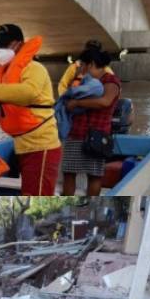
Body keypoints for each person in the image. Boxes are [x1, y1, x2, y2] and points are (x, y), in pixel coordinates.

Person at [0, 24, 62, 196]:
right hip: (23, 147)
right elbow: (8, 112)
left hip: (41, 147)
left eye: (4, 44)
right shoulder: (5, 73)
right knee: (29, 193)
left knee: (37, 196)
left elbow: (29, 93)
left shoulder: (34, 68)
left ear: (19, 44)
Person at [61, 49, 122, 196]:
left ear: (91, 64)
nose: (81, 69)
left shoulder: (110, 81)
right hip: (76, 133)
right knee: (69, 173)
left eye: (82, 65)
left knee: (94, 175)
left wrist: (77, 103)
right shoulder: (83, 81)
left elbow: (105, 102)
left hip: (97, 135)